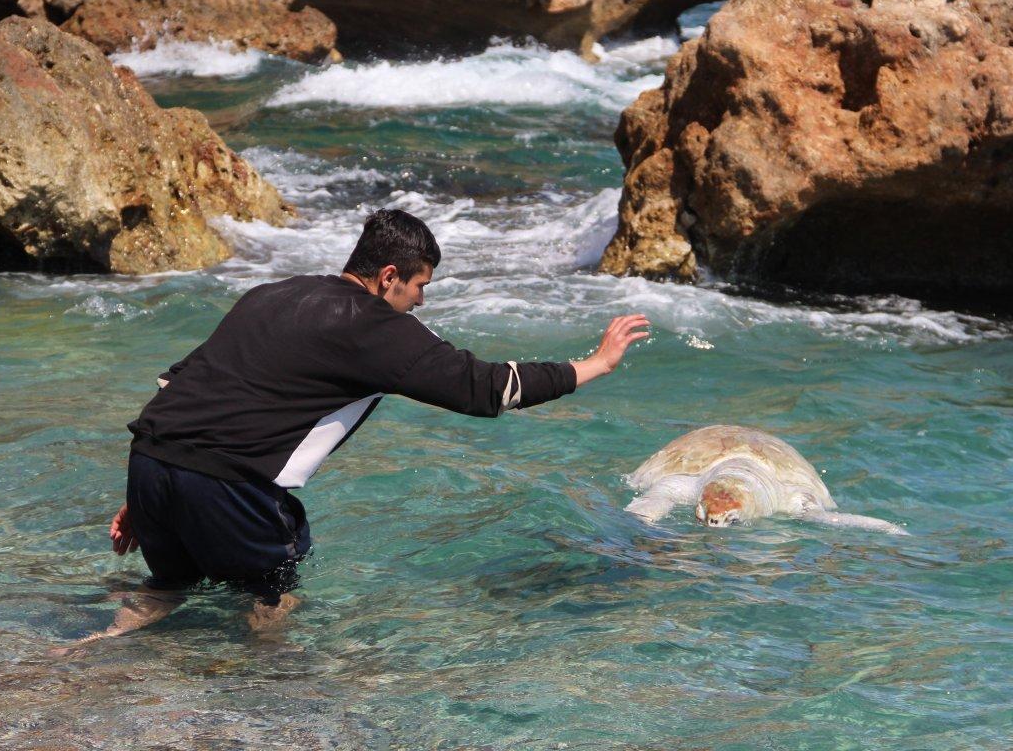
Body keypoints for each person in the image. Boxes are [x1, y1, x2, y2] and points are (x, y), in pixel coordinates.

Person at [68, 208, 649, 647]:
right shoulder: (376, 326)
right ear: (388, 276)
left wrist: (141, 500)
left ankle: (92, 649)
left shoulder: (270, 294)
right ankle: (272, 706)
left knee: (171, 585)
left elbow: (177, 385)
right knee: (273, 584)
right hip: (225, 486)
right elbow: (486, 388)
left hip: (150, 463)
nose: (420, 302)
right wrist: (594, 365)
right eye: (420, 286)